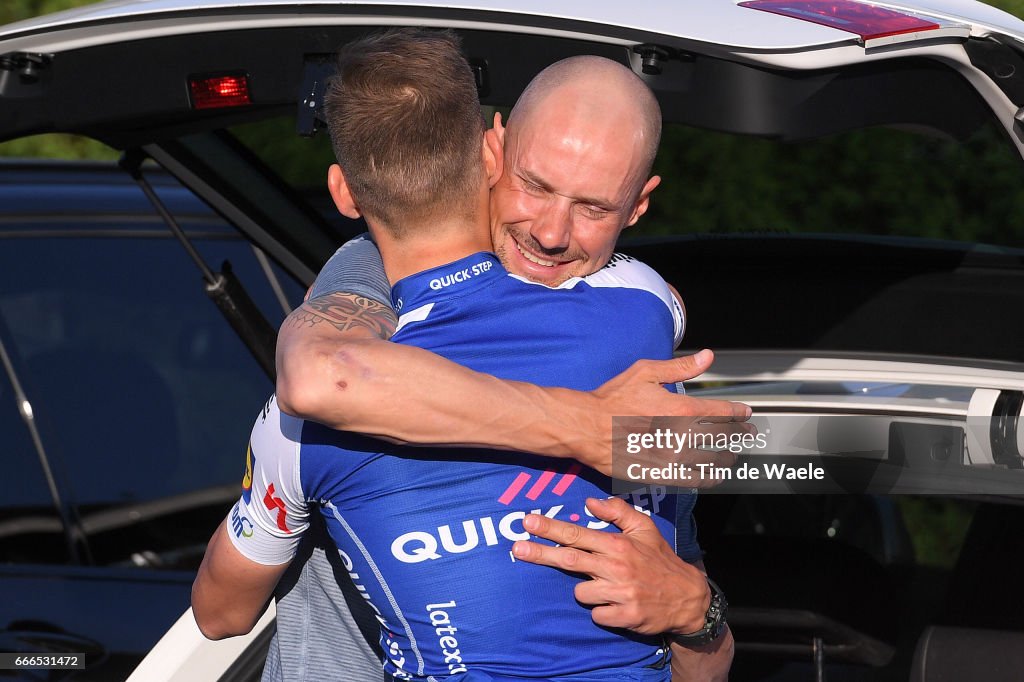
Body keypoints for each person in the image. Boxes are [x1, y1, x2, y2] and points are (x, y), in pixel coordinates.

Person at [196, 30, 740, 680]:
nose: (551, 233)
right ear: (492, 153)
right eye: (535, 185)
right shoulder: (370, 280)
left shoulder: (643, 343)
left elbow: (708, 657)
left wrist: (694, 608)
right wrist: (584, 427)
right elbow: (321, 376)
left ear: (639, 205)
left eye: (594, 207)